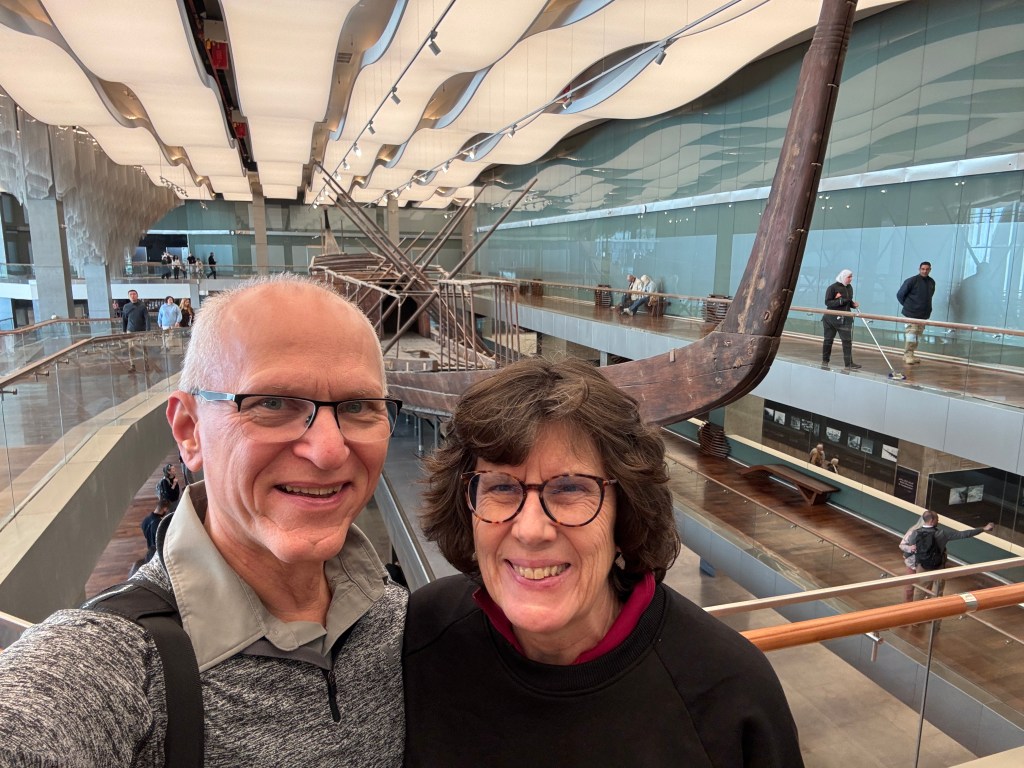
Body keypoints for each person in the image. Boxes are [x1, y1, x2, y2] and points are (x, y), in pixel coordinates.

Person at [0, 274, 407, 765]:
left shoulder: (408, 624)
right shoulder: (108, 666)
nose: (328, 451)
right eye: (272, 403)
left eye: (359, 406)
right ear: (189, 430)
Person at [405, 357, 803, 766]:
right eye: (502, 487)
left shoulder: (731, 696)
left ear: (624, 514)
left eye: (570, 488)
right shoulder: (423, 637)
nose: (531, 529)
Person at [910, 511, 994, 599]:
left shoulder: (915, 533)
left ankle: (916, 606)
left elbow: (911, 547)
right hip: (938, 566)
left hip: (922, 566)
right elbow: (963, 534)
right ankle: (936, 605)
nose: (938, 521)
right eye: (937, 519)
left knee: (920, 590)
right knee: (938, 591)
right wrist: (983, 529)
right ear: (931, 520)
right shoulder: (942, 534)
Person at [896, 261, 935, 366]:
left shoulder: (931, 282)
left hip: (923, 315)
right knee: (911, 335)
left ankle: (911, 354)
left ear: (930, 270)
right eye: (923, 269)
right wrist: (909, 306)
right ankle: (907, 354)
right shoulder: (912, 281)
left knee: (917, 335)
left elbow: (929, 296)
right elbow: (900, 295)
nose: (925, 271)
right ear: (919, 269)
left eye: (927, 269)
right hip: (911, 314)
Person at [822, 268, 860, 369]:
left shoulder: (849, 287)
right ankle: (825, 361)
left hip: (845, 319)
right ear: (843, 277)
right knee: (828, 340)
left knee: (847, 341)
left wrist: (853, 304)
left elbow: (848, 301)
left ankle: (849, 363)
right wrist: (840, 301)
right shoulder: (832, 288)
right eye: (849, 277)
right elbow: (827, 302)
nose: (851, 279)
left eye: (851, 277)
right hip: (830, 319)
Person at [898, 514, 925, 601]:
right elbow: (902, 545)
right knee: (909, 589)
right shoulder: (912, 531)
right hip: (912, 564)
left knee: (922, 591)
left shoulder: (935, 533)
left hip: (925, 565)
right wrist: (910, 548)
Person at [121, 289, 150, 372]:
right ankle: (132, 365)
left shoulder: (142, 306)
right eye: (131, 294)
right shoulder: (126, 307)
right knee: (131, 348)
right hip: (130, 330)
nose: (133, 296)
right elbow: (124, 319)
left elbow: (147, 318)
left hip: (141, 330)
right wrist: (124, 331)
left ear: (137, 295)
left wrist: (148, 330)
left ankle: (146, 364)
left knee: (144, 348)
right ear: (128, 297)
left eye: (134, 294)